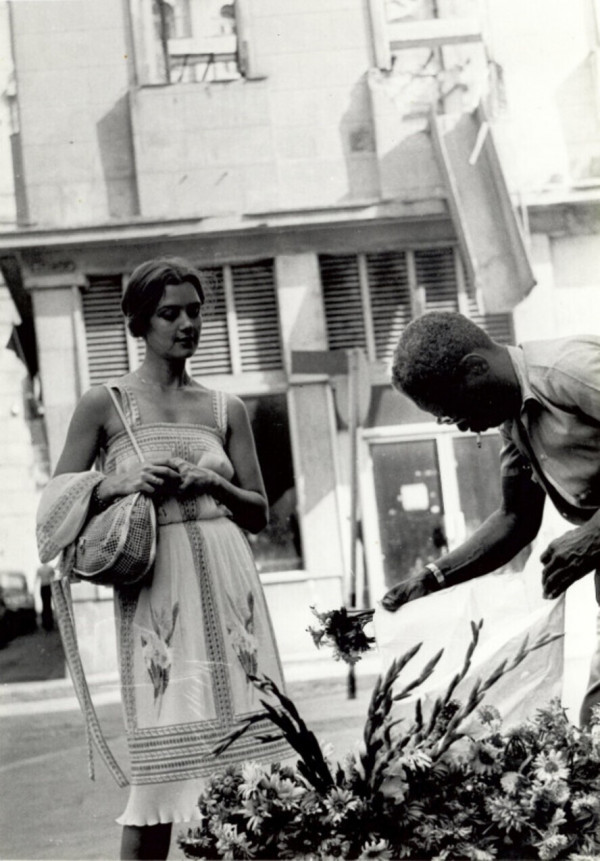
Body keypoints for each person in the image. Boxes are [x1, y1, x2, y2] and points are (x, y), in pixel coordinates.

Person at [36, 258, 291, 860]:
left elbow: (259, 512)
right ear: (139, 324)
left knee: (255, 780)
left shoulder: (226, 408)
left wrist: (215, 483)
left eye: (195, 312)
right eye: (169, 314)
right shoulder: (106, 403)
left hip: (229, 580)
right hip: (157, 585)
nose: (186, 325)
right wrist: (117, 481)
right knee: (161, 772)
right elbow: (52, 507)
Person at [381, 311, 600, 726]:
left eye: (453, 411)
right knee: (595, 730)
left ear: (476, 368)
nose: (462, 427)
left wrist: (594, 535)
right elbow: (516, 518)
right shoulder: (514, 419)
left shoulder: (567, 370)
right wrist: (432, 578)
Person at [35, 562, 55, 631]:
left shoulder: (39, 569)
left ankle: (45, 623)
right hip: (48, 587)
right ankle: (49, 623)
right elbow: (53, 577)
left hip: (43, 587)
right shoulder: (50, 568)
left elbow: (36, 579)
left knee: (44, 605)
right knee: (48, 604)